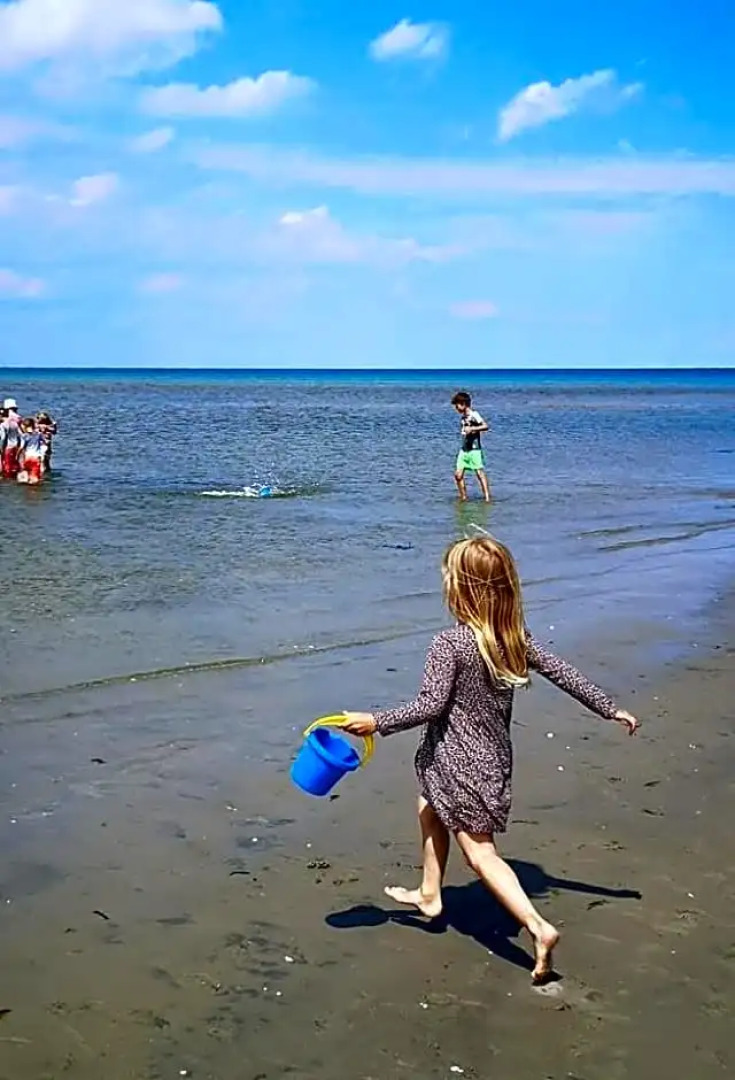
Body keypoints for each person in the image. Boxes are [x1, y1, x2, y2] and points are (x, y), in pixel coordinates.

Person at [342, 536, 638, 984]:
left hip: (459, 764)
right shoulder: (512, 638)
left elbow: (430, 706)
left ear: (462, 590)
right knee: (427, 807)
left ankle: (538, 928)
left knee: (481, 855)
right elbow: (565, 674)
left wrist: (375, 721)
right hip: (491, 761)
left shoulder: (450, 644)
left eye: (448, 580)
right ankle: (429, 893)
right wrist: (608, 707)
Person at [451, 391, 490, 503]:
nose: (456, 408)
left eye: (457, 405)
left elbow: (486, 426)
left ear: (463, 404)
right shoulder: (464, 417)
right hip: (464, 450)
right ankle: (463, 497)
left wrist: (473, 429)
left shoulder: (474, 415)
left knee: (479, 473)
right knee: (458, 475)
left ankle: (487, 498)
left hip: (474, 450)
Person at [17, 417, 46, 485]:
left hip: (27, 458)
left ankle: (26, 492)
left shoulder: (24, 436)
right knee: (35, 479)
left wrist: (17, 456)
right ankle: (34, 493)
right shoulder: (38, 434)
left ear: (25, 426)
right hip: (36, 458)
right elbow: (44, 443)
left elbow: (21, 447)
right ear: (33, 425)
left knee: (27, 476)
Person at [0, 397, 22, 479]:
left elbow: (3, 438)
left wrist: (2, 449)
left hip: (8, 446)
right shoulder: (19, 419)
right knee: (15, 465)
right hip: (17, 446)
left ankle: (9, 481)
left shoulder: (6, 422)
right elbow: (21, 434)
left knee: (7, 467)